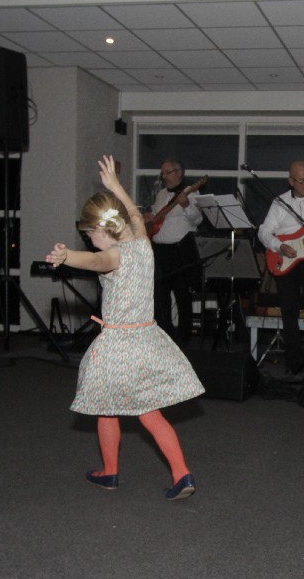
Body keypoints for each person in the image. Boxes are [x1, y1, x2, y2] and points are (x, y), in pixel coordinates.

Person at [45, 155, 205, 501]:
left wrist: (67, 256)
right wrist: (116, 185)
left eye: (90, 233)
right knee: (150, 413)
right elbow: (134, 216)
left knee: (106, 407)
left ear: (103, 229)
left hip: (119, 345)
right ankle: (182, 473)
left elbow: (95, 260)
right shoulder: (143, 246)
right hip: (147, 339)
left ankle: (110, 471)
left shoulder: (114, 255)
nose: (89, 239)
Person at [257, 160, 304, 375]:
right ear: (291, 181)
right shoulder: (280, 202)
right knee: (289, 312)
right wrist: (279, 246)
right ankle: (293, 363)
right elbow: (264, 231)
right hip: (285, 259)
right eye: (302, 181)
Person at [144, 158, 202, 346]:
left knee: (182, 295)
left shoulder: (191, 193)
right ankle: (164, 336)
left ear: (179, 173)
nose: (164, 176)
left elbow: (197, 220)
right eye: (163, 172)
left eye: (167, 172)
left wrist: (186, 205)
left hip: (180, 251)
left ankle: (183, 340)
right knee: (160, 295)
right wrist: (149, 217)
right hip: (160, 250)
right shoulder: (162, 194)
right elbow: (157, 215)